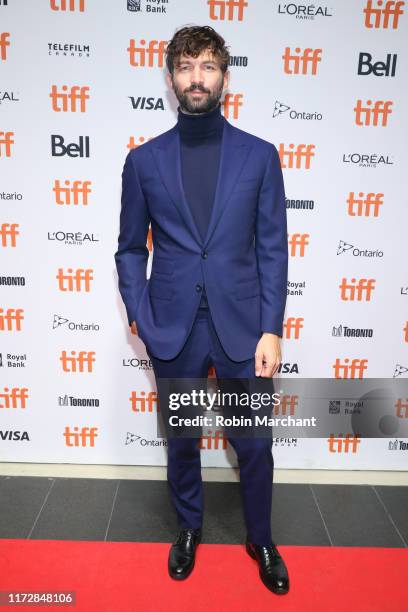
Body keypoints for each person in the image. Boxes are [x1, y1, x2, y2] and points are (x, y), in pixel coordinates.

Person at [114, 25, 289, 595]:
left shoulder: (260, 157)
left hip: (243, 327)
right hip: (175, 327)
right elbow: (128, 248)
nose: (197, 78)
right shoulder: (143, 162)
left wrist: (271, 327)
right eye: (187, 67)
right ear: (170, 78)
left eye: (208, 66)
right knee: (183, 439)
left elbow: (271, 248)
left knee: (255, 443)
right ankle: (188, 529)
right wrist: (140, 311)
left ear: (224, 77)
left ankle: (260, 537)